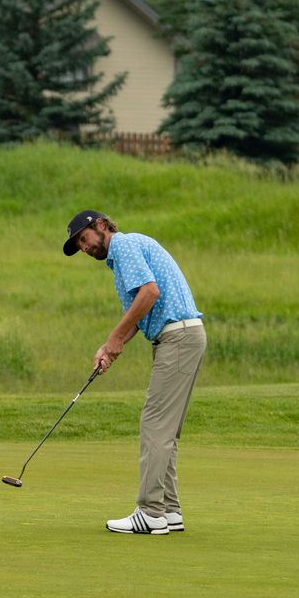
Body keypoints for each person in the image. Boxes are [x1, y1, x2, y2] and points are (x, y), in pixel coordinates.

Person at [62, 210, 207, 535]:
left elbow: (150, 293)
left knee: (154, 424)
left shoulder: (123, 246)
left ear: (101, 226)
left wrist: (114, 339)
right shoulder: (123, 257)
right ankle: (169, 511)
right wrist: (110, 348)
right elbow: (140, 314)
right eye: (79, 246)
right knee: (165, 429)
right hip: (181, 336)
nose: (84, 248)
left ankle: (151, 512)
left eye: (84, 239)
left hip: (178, 338)